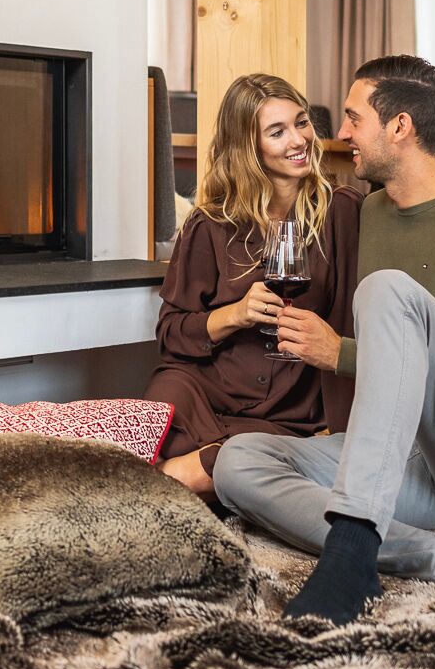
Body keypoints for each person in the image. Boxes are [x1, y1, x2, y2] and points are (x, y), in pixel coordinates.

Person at [215, 55, 435, 627]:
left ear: (399, 127)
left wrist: (339, 354)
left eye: (353, 118)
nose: (340, 133)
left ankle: (348, 551)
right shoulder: (368, 211)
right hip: (417, 463)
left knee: (385, 291)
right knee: (240, 462)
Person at [147, 74, 361, 498]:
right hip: (201, 388)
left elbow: (354, 319)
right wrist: (235, 314)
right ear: (249, 147)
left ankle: (193, 476)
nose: (299, 140)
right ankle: (203, 474)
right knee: (151, 431)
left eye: (301, 123)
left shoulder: (341, 211)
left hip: (290, 406)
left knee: (218, 467)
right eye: (277, 132)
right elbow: (171, 335)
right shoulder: (210, 222)